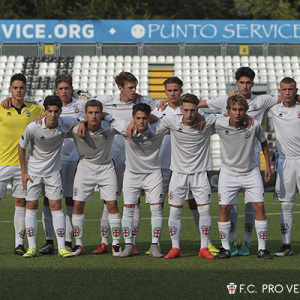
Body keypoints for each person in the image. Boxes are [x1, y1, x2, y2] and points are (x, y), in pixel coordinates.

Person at [198, 66, 282, 256]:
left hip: (251, 163)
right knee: (228, 207)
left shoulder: (261, 103)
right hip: (229, 168)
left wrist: (267, 165)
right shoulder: (220, 116)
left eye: (248, 82)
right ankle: (229, 245)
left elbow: (286, 99)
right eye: (242, 82)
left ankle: (253, 244)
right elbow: (198, 108)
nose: (245, 85)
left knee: (256, 205)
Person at [91, 72, 159, 255]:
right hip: (113, 155)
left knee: (134, 201)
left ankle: (132, 242)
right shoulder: (106, 100)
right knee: (109, 200)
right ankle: (105, 241)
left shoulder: (145, 100)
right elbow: (90, 108)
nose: (134, 91)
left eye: (135, 86)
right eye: (130, 87)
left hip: (134, 157)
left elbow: (163, 108)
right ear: (120, 88)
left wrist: (153, 116)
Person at [151, 77, 219, 256]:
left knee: (204, 210)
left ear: (198, 110)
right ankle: (175, 248)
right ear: (181, 110)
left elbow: (231, 114)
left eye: (193, 110)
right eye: (186, 110)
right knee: (174, 211)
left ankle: (204, 247)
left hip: (199, 174)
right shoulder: (170, 120)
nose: (189, 114)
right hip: (178, 174)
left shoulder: (208, 121)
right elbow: (150, 130)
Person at [18, 95, 80, 258]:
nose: (53, 115)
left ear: (60, 112)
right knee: (31, 206)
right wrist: (24, 173)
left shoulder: (66, 123)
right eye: (50, 111)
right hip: (33, 173)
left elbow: (84, 119)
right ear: (44, 111)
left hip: (53, 173)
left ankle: (61, 248)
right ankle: (31, 247)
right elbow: (21, 146)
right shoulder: (33, 126)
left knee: (56, 207)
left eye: (56, 111)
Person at [215, 94, 272, 259]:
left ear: (246, 111)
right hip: (228, 172)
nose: (237, 113)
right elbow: (200, 118)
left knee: (259, 206)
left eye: (241, 109)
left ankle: (262, 249)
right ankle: (226, 247)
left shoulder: (253, 126)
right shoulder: (219, 123)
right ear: (228, 110)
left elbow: (264, 142)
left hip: (251, 172)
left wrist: (268, 166)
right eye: (234, 109)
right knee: (224, 208)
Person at [105, 103, 165, 258]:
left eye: (144, 118)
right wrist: (84, 121)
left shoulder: (159, 127)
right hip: (131, 174)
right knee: (128, 209)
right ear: (133, 118)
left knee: (156, 208)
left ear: (149, 117)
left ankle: (154, 245)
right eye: (138, 118)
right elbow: (104, 114)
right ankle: (129, 245)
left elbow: (180, 117)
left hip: (153, 173)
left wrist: (198, 114)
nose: (141, 122)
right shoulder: (125, 127)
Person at [38, 75, 86, 254]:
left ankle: (67, 239)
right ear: (56, 90)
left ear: (72, 89)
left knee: (70, 199)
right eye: (61, 88)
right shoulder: (47, 104)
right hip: (53, 160)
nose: (64, 91)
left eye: (67, 88)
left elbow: (95, 113)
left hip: (73, 158)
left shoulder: (80, 105)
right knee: (48, 199)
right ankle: (49, 240)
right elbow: (27, 104)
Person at [69, 100, 122, 256]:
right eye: (90, 113)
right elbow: (59, 122)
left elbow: (124, 123)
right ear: (85, 115)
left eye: (97, 112)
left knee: (112, 204)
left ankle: (116, 244)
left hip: (106, 167)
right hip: (85, 167)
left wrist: (108, 115)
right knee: (78, 204)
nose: (94, 116)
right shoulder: (75, 130)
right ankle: (78, 245)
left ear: (101, 114)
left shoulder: (110, 128)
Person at [0, 73, 44, 255]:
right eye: (15, 87)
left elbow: (50, 113)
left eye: (22, 87)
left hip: (23, 165)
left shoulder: (35, 109)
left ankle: (19, 243)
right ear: (10, 89)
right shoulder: (1, 108)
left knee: (20, 202)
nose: (18, 90)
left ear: (26, 90)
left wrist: (39, 113)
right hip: (1, 163)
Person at [267, 77, 300, 257]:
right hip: (285, 162)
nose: (288, 93)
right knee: (286, 205)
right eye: (284, 89)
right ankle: (286, 244)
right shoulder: (273, 109)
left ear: (296, 90)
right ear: (280, 91)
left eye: (291, 89)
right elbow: (252, 106)